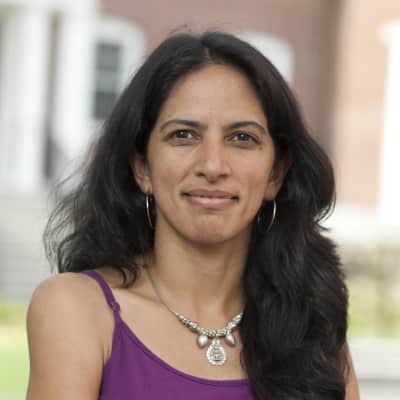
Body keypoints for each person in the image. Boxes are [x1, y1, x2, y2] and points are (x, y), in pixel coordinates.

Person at [26, 31, 360, 400]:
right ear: (142, 167)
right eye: (183, 135)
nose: (212, 165)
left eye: (242, 138)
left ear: (275, 174)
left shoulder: (311, 326)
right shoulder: (78, 310)